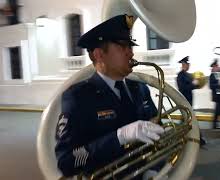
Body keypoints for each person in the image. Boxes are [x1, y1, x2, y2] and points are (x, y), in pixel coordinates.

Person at [54, 14, 165, 178]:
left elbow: (157, 131)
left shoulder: (140, 88)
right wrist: (119, 137)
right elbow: (67, 162)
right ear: (99, 54)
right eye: (122, 47)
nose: (131, 53)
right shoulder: (78, 97)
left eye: (131, 47)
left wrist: (156, 167)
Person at [176, 56, 206, 146]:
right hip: (184, 100)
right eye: (187, 64)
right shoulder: (180, 76)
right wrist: (193, 84)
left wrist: (198, 83)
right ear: (183, 65)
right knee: (191, 119)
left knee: (186, 120)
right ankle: (199, 139)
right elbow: (182, 88)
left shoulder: (189, 75)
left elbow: (194, 86)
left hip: (190, 100)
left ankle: (178, 138)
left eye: (188, 64)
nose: (188, 66)